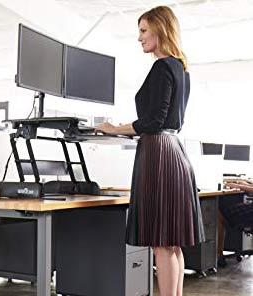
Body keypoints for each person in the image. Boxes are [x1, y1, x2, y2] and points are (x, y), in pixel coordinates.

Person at [96, 5, 205, 296]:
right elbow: (169, 119)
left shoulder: (162, 66)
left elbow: (154, 120)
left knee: (161, 242)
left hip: (158, 154)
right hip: (175, 152)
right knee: (172, 243)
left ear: (160, 28)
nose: (139, 37)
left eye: (144, 30)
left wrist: (115, 128)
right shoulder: (181, 69)